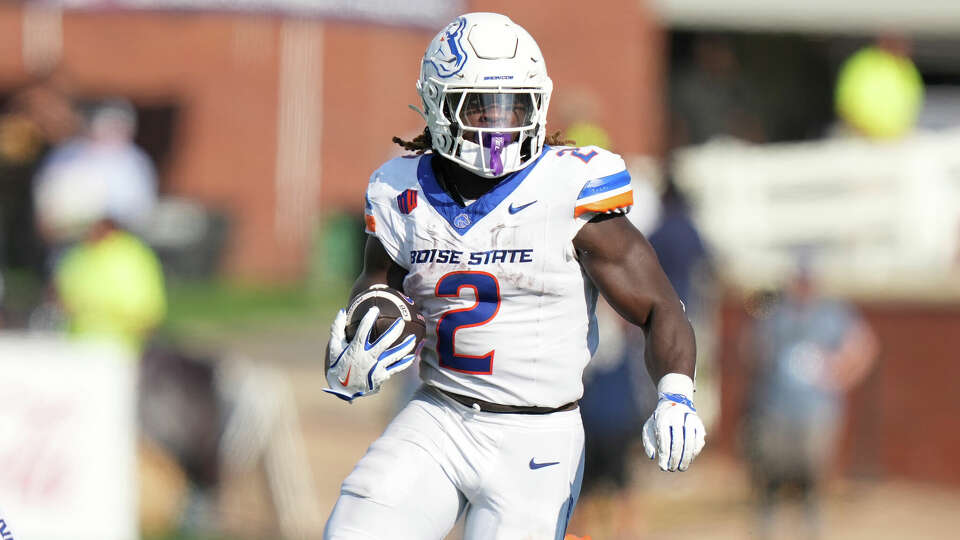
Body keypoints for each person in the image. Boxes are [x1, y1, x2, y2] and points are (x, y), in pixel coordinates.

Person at [321, 13, 706, 539]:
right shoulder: (401, 191)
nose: (499, 123)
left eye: (514, 104)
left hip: (537, 436)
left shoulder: (567, 188)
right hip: (439, 414)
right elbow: (377, 286)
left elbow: (660, 305)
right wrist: (356, 341)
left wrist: (677, 393)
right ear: (437, 105)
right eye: (480, 104)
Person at [741, 261, 878, 539]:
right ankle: (766, 526)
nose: (802, 287)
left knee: (812, 476)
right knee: (770, 472)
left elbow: (865, 346)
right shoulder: (775, 312)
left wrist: (842, 373)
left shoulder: (833, 313)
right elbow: (750, 346)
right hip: (775, 409)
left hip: (817, 411)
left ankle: (811, 527)